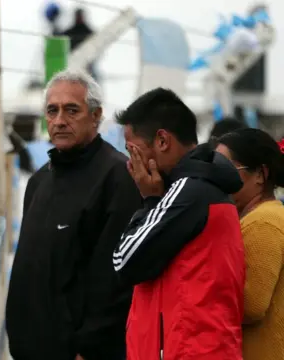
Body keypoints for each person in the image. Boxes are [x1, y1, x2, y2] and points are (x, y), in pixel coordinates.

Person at [6, 69, 141, 360]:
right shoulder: (40, 181)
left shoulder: (118, 177)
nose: (59, 120)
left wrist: (89, 349)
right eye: (52, 111)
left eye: (71, 110)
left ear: (96, 116)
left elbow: (116, 280)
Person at [112, 88, 244, 360]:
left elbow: (124, 261)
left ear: (162, 140)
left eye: (133, 151)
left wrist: (149, 200)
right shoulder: (204, 186)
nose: (131, 164)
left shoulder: (189, 190)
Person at [215, 128, 284, 360]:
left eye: (226, 170)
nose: (218, 178)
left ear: (260, 175)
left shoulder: (263, 221)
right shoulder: (260, 217)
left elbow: (251, 305)